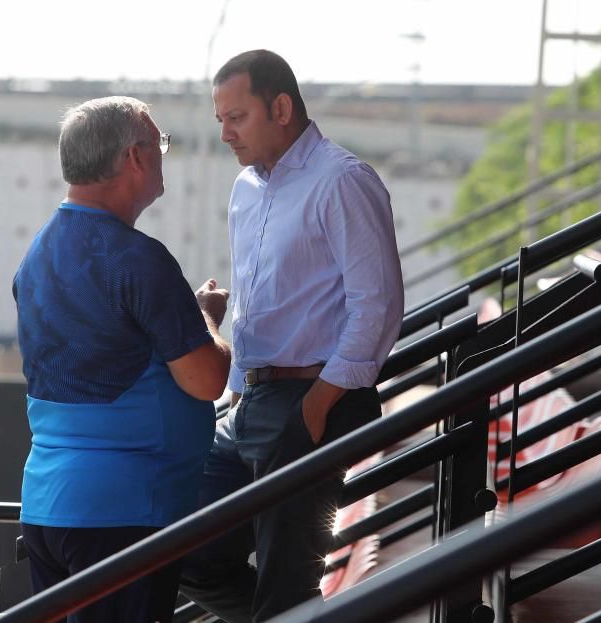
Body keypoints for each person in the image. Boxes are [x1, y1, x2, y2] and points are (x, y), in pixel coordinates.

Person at [179, 49, 404, 622]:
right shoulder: (244, 190)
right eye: (220, 120)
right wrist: (232, 389)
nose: (226, 133)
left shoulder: (343, 179)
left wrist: (317, 405)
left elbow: (376, 307)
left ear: (280, 107)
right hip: (248, 402)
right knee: (181, 549)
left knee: (287, 588)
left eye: (237, 117)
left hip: (311, 404)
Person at [13, 96, 231, 623]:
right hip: (123, 512)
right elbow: (208, 380)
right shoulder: (137, 259)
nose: (163, 156)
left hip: (47, 503)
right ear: (134, 158)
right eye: (160, 145)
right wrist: (206, 318)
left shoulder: (36, 255)